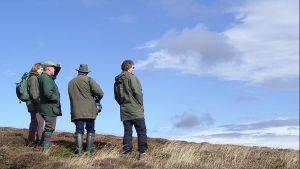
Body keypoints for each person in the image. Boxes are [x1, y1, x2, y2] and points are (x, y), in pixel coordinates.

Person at [114, 59, 148, 158]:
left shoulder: (117, 81)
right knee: (141, 131)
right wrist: (140, 104)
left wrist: (123, 104)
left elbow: (116, 97)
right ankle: (142, 153)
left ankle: (126, 153)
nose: (134, 69)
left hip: (124, 109)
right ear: (129, 67)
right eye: (133, 67)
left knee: (127, 132)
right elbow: (138, 93)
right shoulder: (132, 78)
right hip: (135, 109)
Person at [68, 64, 104, 155]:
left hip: (76, 109)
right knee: (90, 129)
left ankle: (78, 152)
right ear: (86, 72)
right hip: (89, 109)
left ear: (78, 71)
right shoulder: (89, 80)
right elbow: (100, 93)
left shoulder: (71, 82)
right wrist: (96, 98)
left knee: (79, 130)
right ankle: (89, 152)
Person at [39, 60, 62, 153]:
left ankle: (41, 146)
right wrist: (56, 98)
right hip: (49, 107)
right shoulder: (46, 78)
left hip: (48, 107)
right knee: (49, 128)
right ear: (48, 68)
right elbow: (48, 93)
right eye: (53, 68)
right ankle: (45, 149)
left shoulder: (46, 77)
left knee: (49, 128)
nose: (54, 70)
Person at [26, 63, 44, 146]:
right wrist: (39, 103)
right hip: (34, 103)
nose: (42, 71)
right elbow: (34, 93)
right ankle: (35, 141)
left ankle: (32, 140)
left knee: (35, 121)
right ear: (36, 69)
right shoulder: (33, 78)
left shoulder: (32, 77)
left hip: (31, 103)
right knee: (38, 122)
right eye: (41, 69)